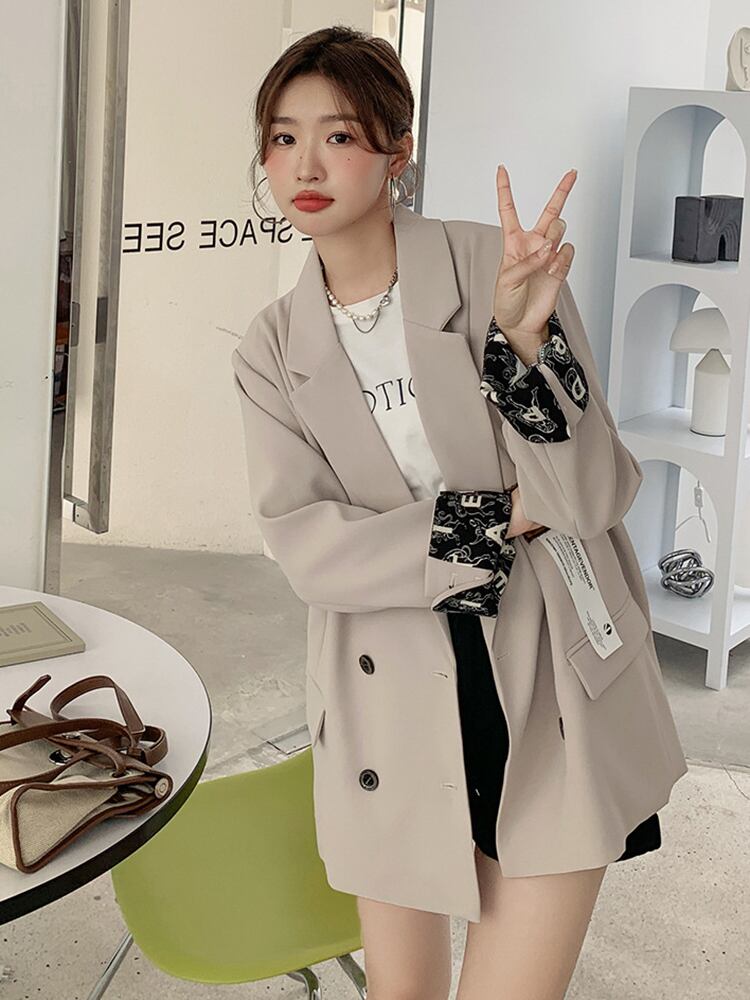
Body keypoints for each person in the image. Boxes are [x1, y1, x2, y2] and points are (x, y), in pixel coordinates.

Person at [234, 24, 667, 1000]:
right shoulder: (271, 347)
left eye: (340, 136)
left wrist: (524, 342)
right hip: (385, 698)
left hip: (546, 679)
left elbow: (590, 494)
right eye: (283, 137)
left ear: (398, 149)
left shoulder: (494, 269)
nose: (306, 165)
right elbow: (310, 551)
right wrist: (503, 516)